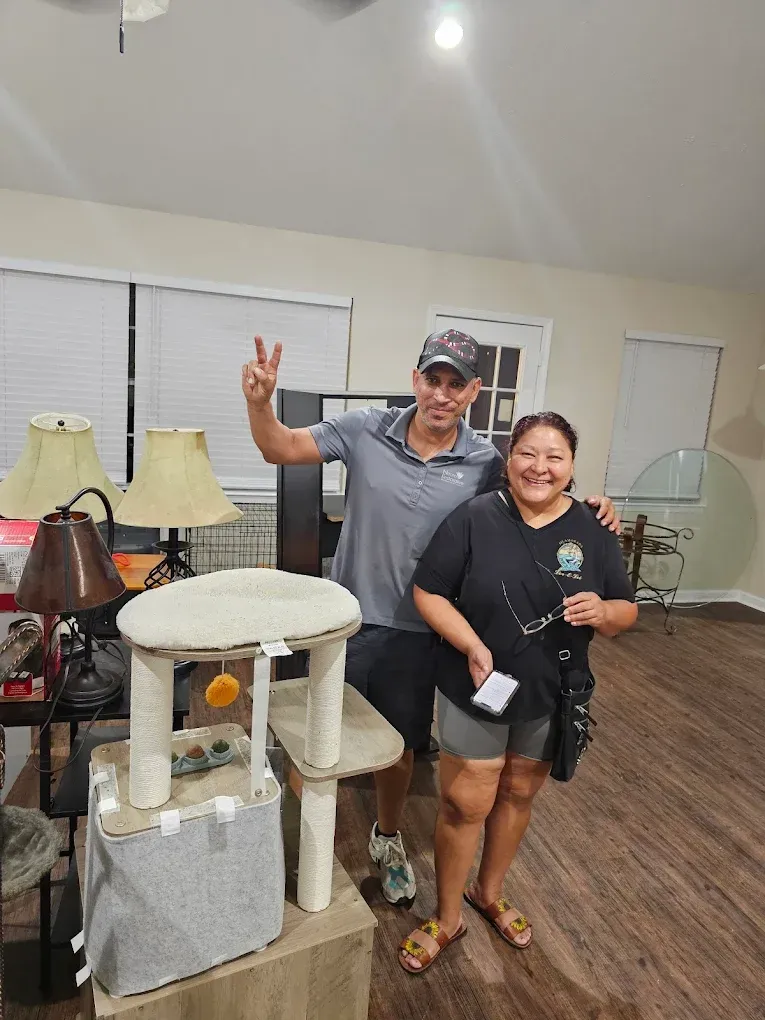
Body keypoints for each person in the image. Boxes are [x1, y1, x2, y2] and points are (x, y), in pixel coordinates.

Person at [242, 333, 621, 909]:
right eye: (432, 379)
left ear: (473, 391)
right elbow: (280, 448)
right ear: (415, 378)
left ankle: (387, 838)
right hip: (343, 620)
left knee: (399, 747)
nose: (441, 394)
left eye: (455, 384)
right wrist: (259, 404)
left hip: (426, 631)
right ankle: (291, 849)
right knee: (314, 741)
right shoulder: (367, 428)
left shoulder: (487, 461)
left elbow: (534, 498)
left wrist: (594, 510)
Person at [397, 411, 637, 972]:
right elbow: (427, 592)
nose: (540, 467)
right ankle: (448, 915)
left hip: (554, 691)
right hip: (474, 687)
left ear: (572, 466)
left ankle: (490, 891)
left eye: (555, 457)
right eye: (528, 453)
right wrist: (473, 646)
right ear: (509, 459)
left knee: (519, 795)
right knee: (464, 803)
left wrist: (604, 612)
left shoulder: (592, 530)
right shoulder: (474, 518)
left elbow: (627, 610)